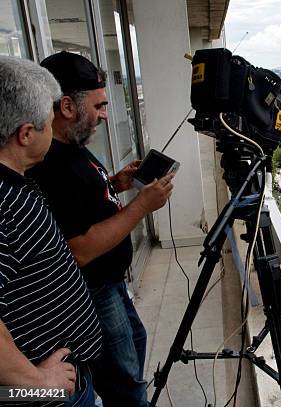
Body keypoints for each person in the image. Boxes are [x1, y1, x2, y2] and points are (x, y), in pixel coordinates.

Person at [29, 51, 174, 406]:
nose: (105, 115)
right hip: (94, 291)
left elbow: (78, 204)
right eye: (98, 106)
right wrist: (142, 206)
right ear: (67, 106)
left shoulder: (70, 146)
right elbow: (79, 248)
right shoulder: (51, 163)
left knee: (133, 352)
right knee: (124, 383)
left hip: (111, 284)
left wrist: (115, 183)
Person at [0, 56, 102, 405]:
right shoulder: (5, 205)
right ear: (26, 134)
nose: (53, 131)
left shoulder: (15, 186)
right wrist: (36, 382)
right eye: (47, 123)